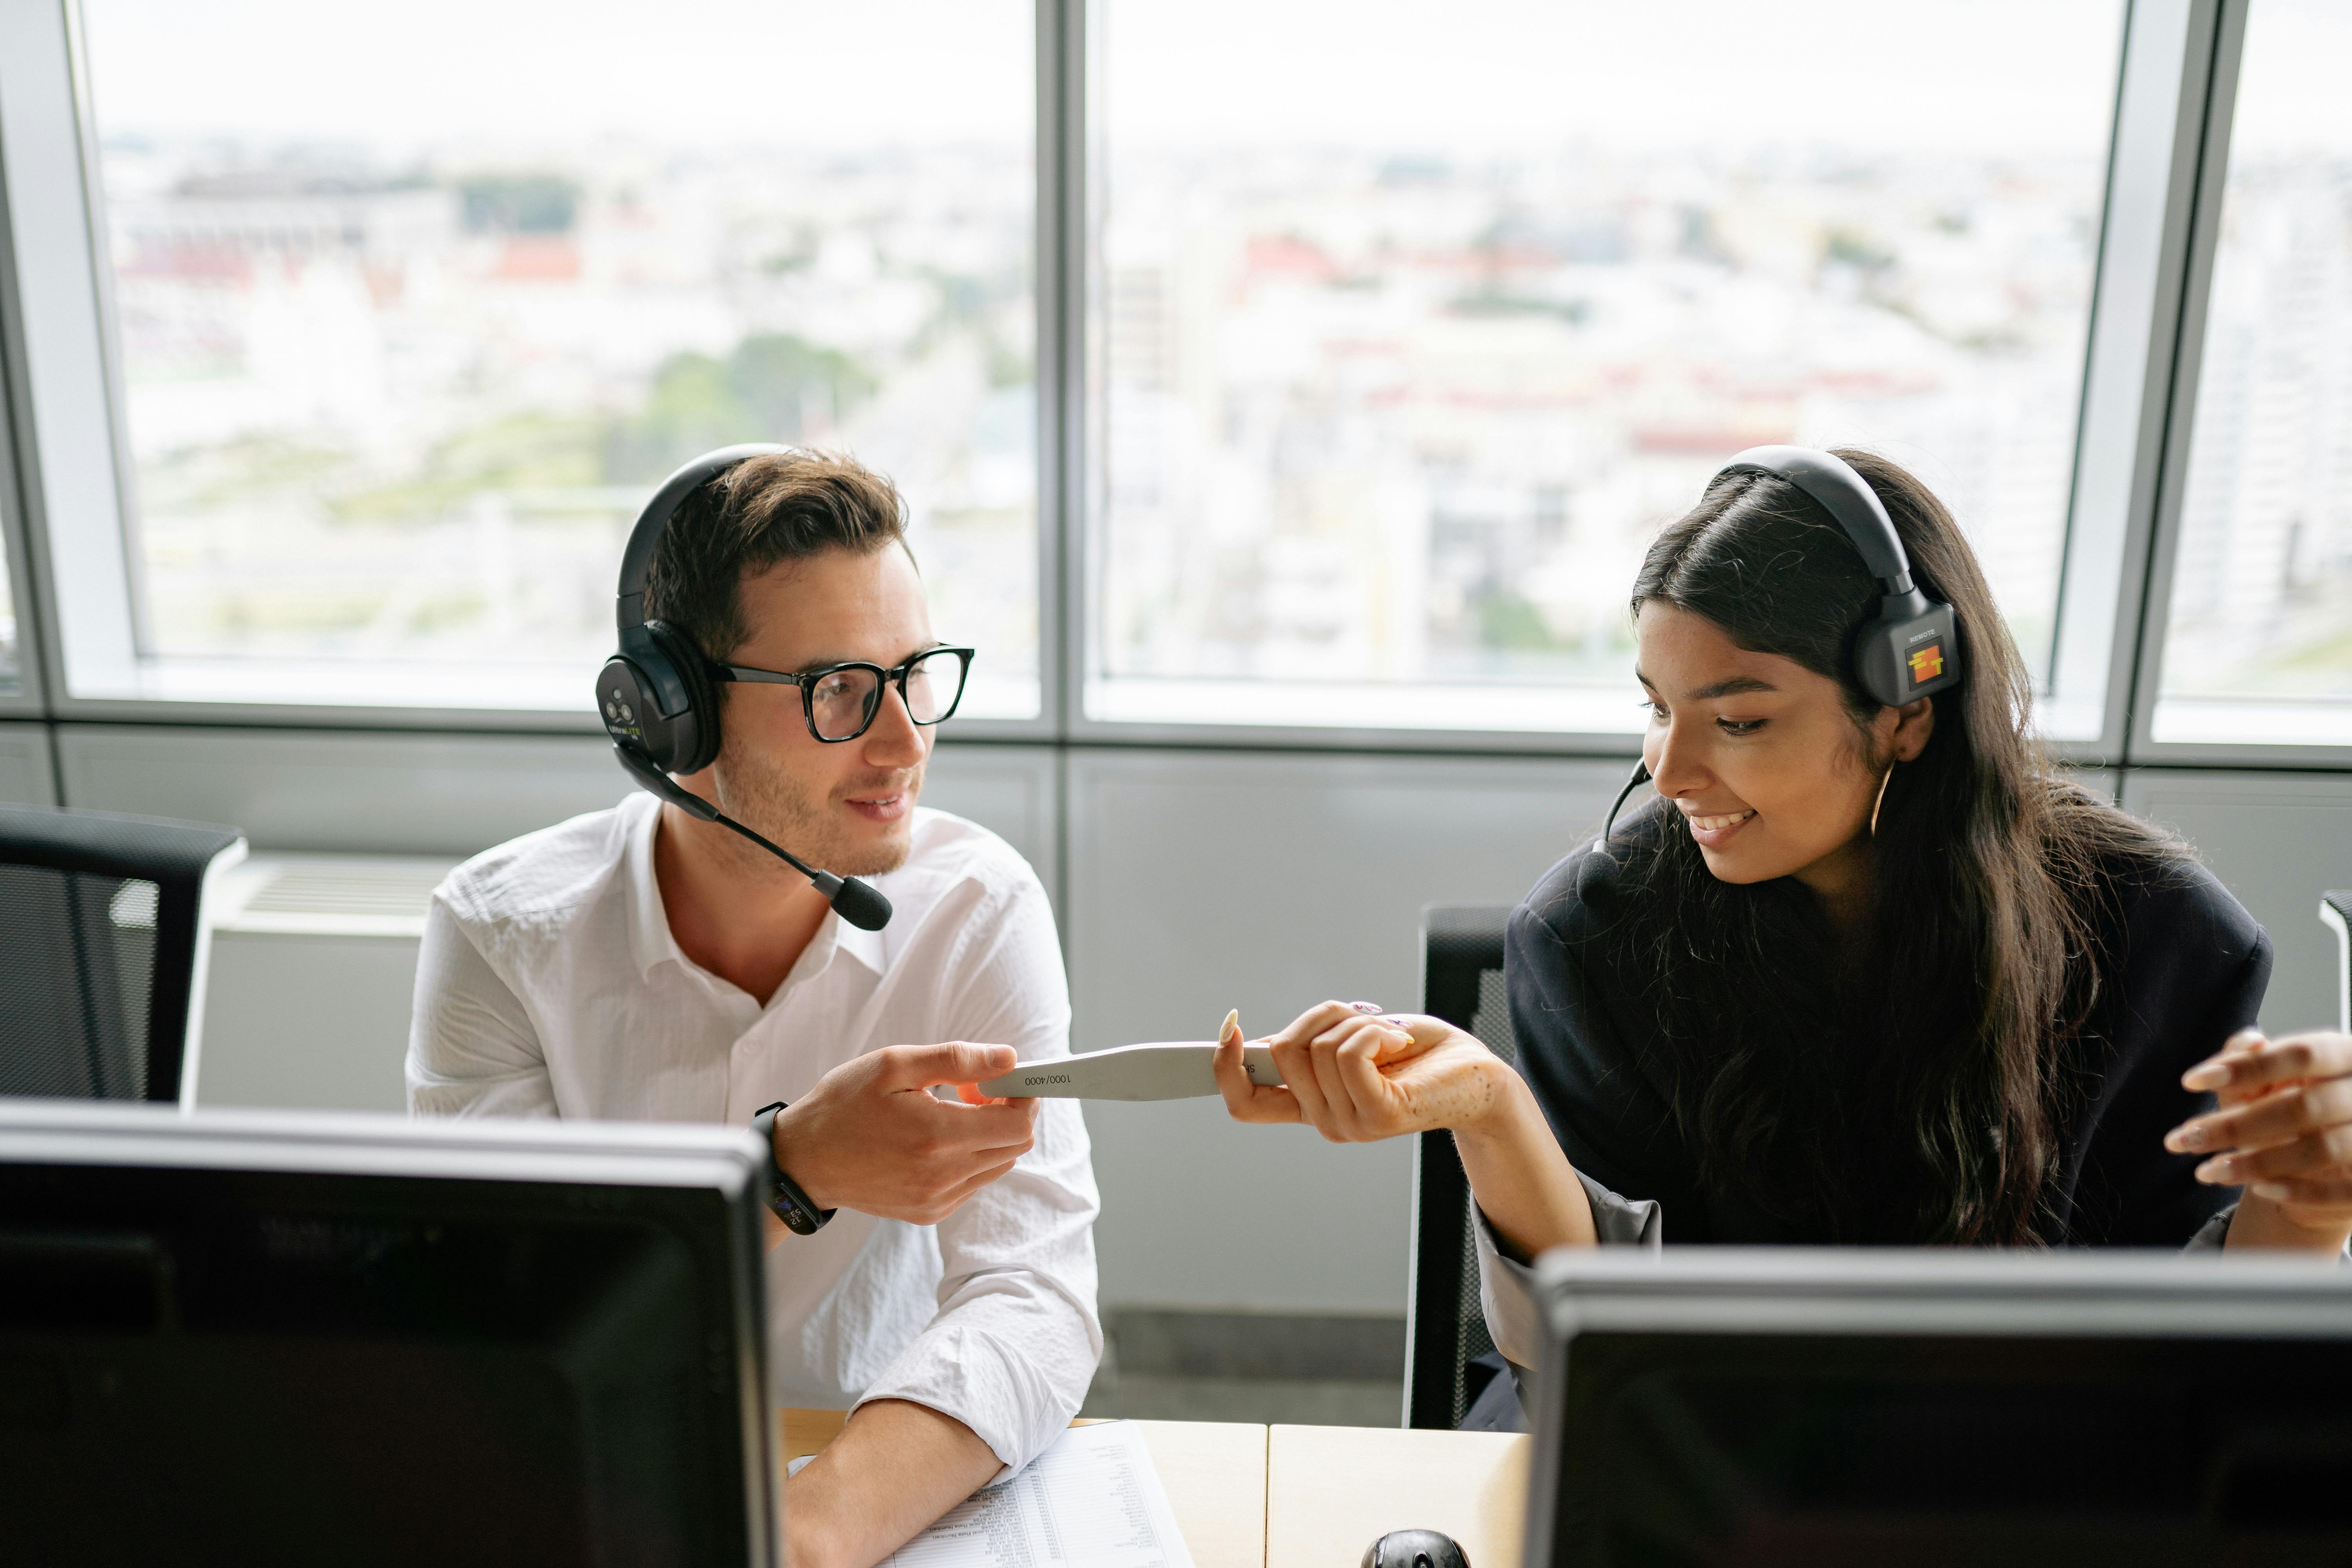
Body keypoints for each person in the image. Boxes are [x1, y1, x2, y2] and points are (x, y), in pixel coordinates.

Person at [1211, 447, 2352, 1428]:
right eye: (1656, 709)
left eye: (1739, 720)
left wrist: (2313, 1201)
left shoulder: (2155, 937)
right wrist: (1495, 1110)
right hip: (1698, 1478)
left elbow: (2203, 1377)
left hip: (2023, 1482)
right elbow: (1590, 1370)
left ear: (1909, 704)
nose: (1669, 773)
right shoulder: (1597, 937)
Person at [407, 451, 1098, 1568]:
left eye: (915, 673)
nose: (908, 744)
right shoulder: (499, 935)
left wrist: (807, 1536)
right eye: (839, 692)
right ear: (672, 714)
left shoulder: (978, 909)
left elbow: (1036, 1295)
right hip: (587, 1478)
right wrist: (784, 1174)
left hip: (877, 1490)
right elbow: (507, 1307)